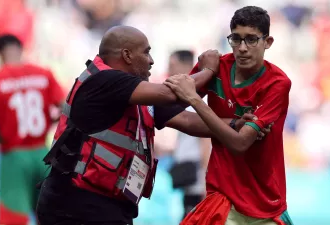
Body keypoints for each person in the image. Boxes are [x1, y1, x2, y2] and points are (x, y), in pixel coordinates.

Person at [36, 25, 266, 225]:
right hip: (76, 203)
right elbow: (171, 94)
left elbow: (187, 120)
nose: (152, 60)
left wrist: (235, 123)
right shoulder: (102, 80)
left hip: (107, 203)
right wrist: (208, 70)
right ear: (126, 55)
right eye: (146, 52)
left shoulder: (138, 94)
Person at [164, 6, 294, 225]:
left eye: (251, 39)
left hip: (265, 203)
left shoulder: (277, 83)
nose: (242, 48)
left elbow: (240, 143)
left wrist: (195, 100)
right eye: (236, 38)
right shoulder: (217, 68)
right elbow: (166, 107)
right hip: (222, 197)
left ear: (268, 42)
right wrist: (206, 73)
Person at [0, 34, 65, 225]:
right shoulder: (44, 74)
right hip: (44, 154)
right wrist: (50, 120)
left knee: (13, 220)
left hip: (13, 156)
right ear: (21, 49)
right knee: (52, 217)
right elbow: (67, 108)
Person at [167, 50, 211, 218]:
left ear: (186, 66)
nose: (169, 71)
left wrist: (207, 185)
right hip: (189, 182)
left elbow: (206, 143)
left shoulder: (197, 103)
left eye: (172, 66)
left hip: (198, 184)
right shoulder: (185, 102)